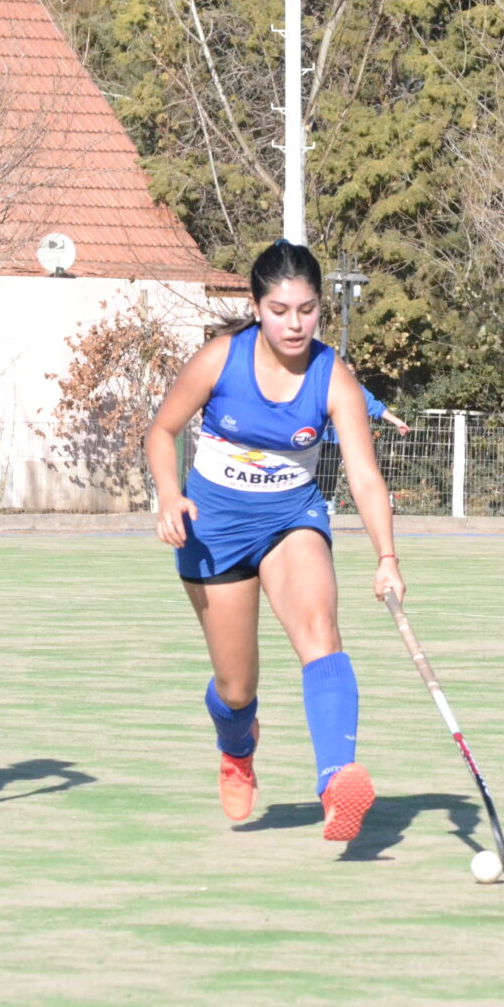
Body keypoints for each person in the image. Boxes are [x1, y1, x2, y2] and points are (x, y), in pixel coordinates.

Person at [144, 240, 404, 841]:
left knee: (320, 632)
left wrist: (387, 557)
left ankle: (336, 782)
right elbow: (162, 430)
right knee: (237, 689)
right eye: (281, 310)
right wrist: (168, 494)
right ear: (257, 306)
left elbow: (365, 475)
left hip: (292, 520)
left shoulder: (333, 376)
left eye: (307, 310)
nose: (295, 324)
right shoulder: (220, 360)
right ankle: (237, 748)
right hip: (213, 532)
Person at [313, 388, 409, 513]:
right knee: (316, 473)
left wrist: (397, 421)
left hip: (342, 439)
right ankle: (317, 503)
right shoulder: (316, 384)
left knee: (355, 472)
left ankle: (330, 503)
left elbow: (374, 405)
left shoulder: (351, 387)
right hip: (315, 438)